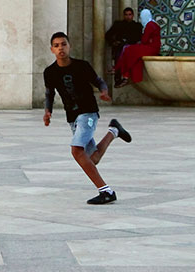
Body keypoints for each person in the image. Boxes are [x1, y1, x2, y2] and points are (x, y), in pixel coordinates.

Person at [44, 31, 132, 204]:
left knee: (76, 150)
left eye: (63, 44)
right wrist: (48, 112)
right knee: (92, 159)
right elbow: (49, 93)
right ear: (52, 50)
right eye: (56, 45)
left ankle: (106, 191)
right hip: (73, 118)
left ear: (69, 46)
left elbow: (98, 81)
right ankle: (114, 131)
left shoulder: (81, 66)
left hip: (88, 113)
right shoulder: (50, 72)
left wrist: (104, 91)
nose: (60, 48)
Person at [114, 9, 162, 87]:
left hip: (151, 48)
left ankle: (122, 72)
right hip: (153, 47)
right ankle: (125, 74)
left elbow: (144, 40)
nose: (141, 18)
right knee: (133, 53)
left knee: (129, 50)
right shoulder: (154, 24)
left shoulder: (149, 25)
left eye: (142, 17)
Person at [104, 7, 142, 75]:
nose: (128, 17)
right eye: (126, 15)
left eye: (129, 14)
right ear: (123, 15)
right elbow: (108, 35)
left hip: (131, 48)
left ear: (133, 15)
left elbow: (139, 38)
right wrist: (113, 42)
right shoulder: (118, 24)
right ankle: (118, 76)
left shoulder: (137, 26)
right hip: (120, 47)